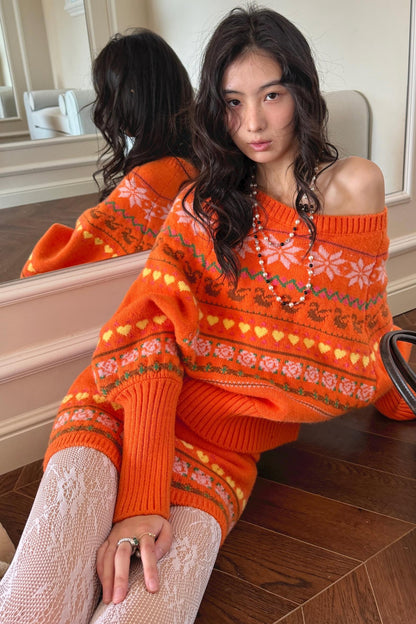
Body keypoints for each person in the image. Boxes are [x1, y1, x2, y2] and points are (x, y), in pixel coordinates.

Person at [1, 6, 414, 623]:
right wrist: (142, 498)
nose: (253, 124)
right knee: (32, 606)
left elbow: (357, 326)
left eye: (271, 95)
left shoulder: (354, 186)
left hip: (220, 455)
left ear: (302, 92)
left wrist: (400, 385)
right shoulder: (201, 206)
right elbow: (149, 339)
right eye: (232, 102)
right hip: (122, 413)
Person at [20, 29, 197, 277]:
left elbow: (40, 273)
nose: (105, 108)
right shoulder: (196, 158)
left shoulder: (156, 178)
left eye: (109, 95)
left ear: (134, 97)